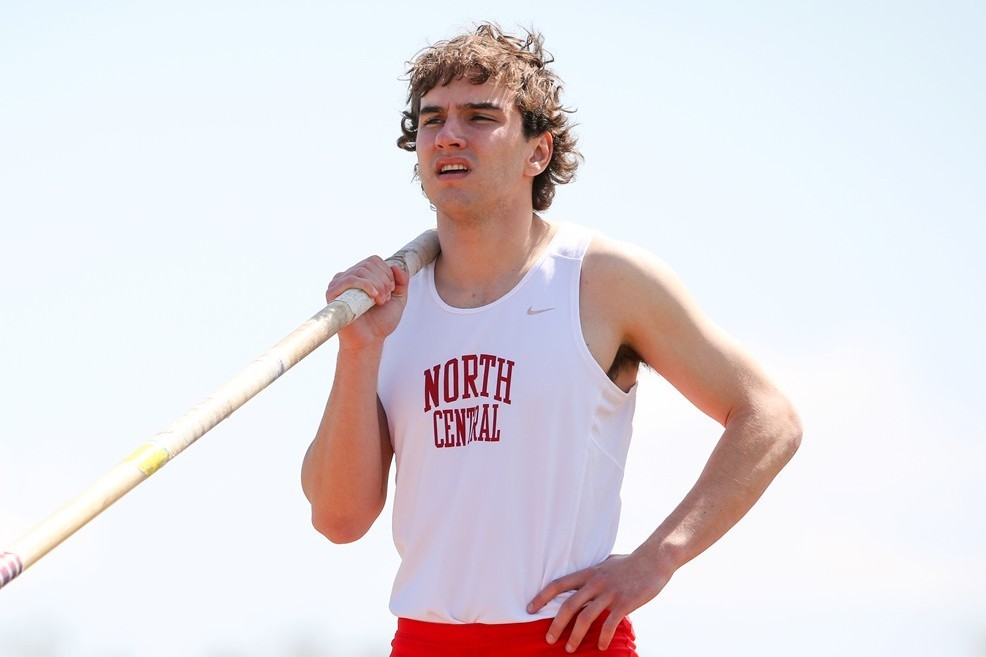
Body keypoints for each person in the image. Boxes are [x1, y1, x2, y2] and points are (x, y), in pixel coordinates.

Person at [301, 23, 801, 656]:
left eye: (480, 116)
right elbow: (338, 520)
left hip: (570, 639)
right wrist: (359, 348)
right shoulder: (386, 307)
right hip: (426, 641)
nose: (449, 134)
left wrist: (658, 559)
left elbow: (769, 418)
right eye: (432, 120)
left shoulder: (602, 279)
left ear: (538, 152)